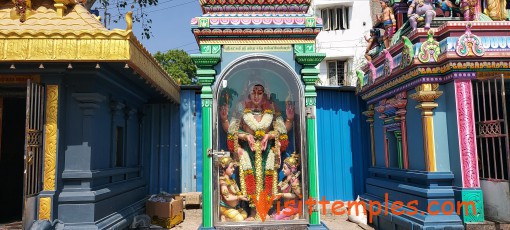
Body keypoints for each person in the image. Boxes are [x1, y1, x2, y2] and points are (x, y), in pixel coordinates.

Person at [220, 78, 294, 218]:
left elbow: (282, 131)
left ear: (264, 93)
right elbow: (232, 131)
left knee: (268, 178)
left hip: (267, 151)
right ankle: (253, 210)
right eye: (253, 92)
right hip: (249, 151)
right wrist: (245, 136)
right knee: (250, 178)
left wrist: (270, 135)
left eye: (259, 92)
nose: (256, 96)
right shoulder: (241, 107)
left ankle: (265, 209)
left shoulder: (271, 108)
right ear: (248, 93)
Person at [272, 153, 302, 220]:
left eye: (284, 168)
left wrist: (282, 194)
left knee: (277, 217)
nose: (282, 170)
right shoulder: (285, 180)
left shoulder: (294, 181)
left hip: (294, 206)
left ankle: (294, 216)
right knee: (273, 214)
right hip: (286, 206)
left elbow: (296, 195)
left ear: (292, 169)